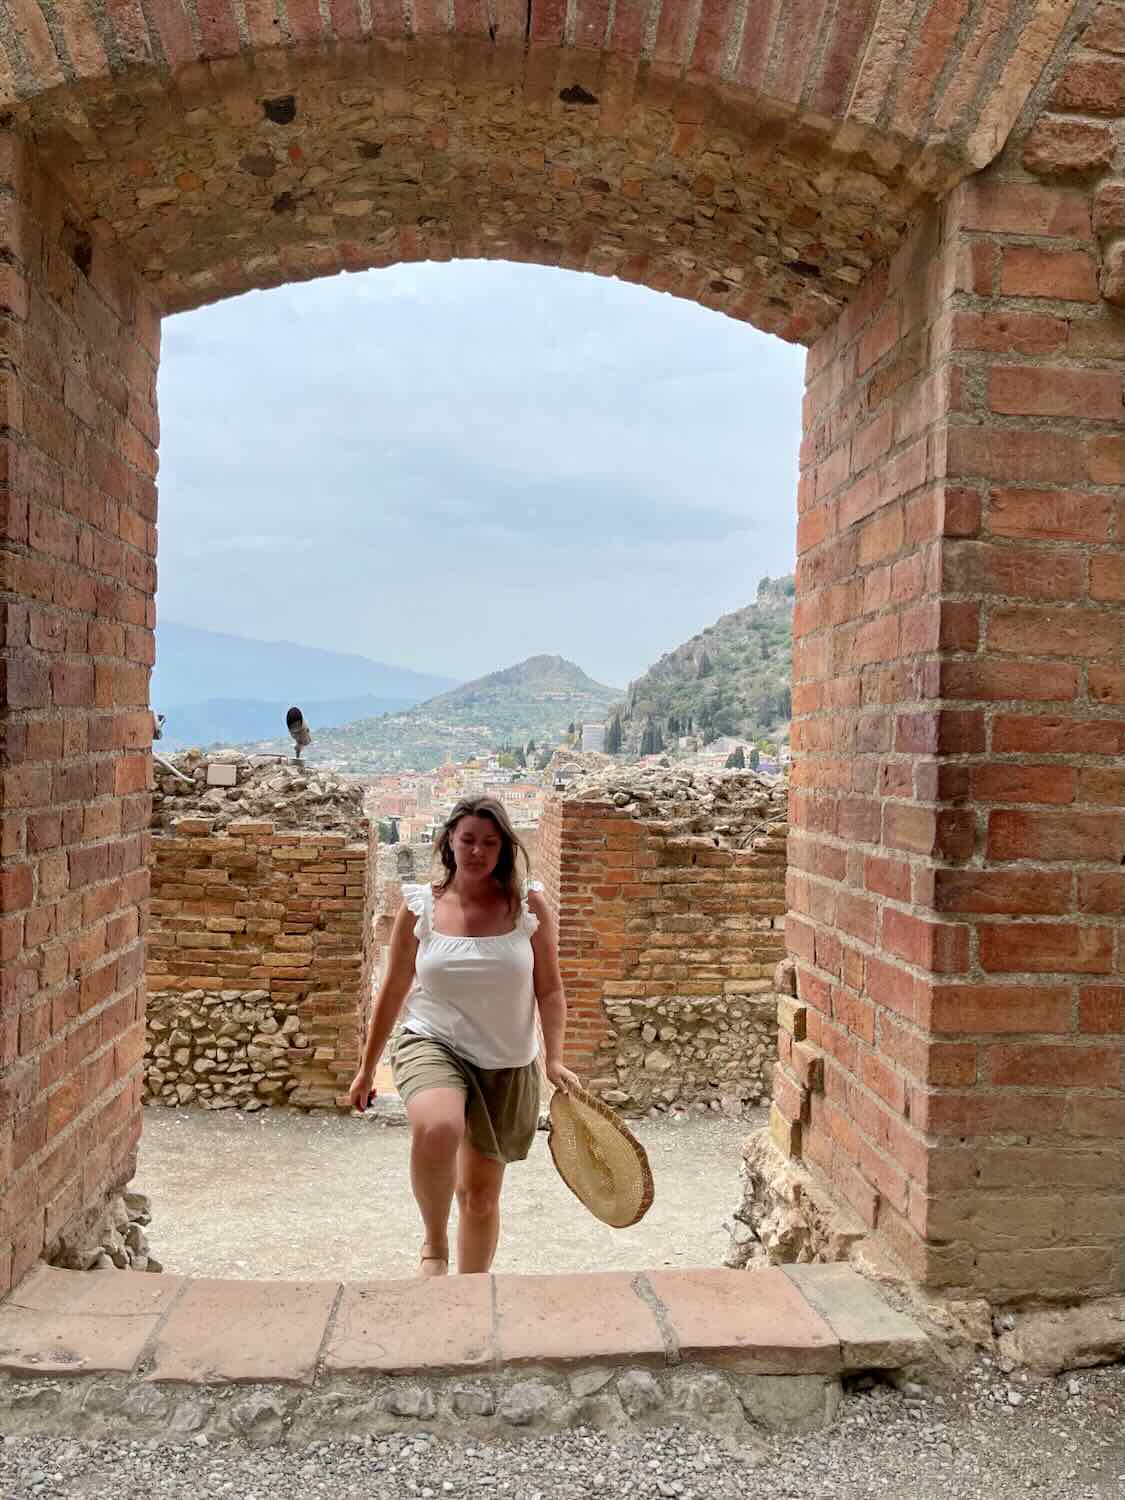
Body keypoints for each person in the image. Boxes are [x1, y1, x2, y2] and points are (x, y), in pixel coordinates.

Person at [348, 796, 580, 1276]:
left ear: (505, 848)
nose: (477, 851)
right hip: (432, 1040)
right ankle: (433, 1245)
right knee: (439, 1127)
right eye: (468, 839)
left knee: (478, 1198)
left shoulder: (526, 906)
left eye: (490, 842)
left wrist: (554, 1060)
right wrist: (367, 1068)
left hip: (505, 1061)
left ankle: (470, 1297)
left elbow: (551, 989)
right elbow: (393, 989)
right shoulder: (420, 908)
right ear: (449, 841)